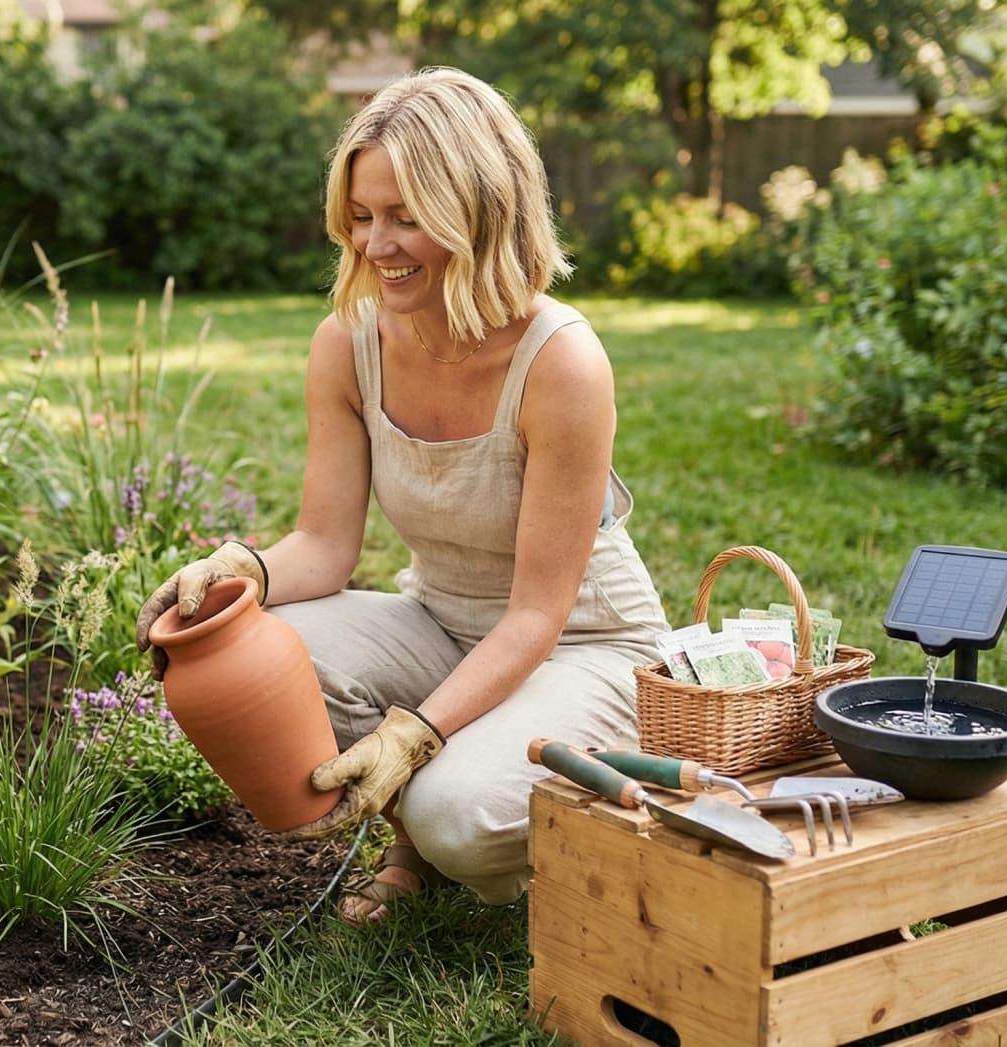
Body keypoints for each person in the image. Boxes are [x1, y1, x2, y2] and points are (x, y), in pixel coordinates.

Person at [135, 67, 669, 926]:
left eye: (406, 217)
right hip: (443, 624)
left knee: (457, 815)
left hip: (583, 646)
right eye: (361, 217)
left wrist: (416, 729)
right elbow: (324, 544)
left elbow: (536, 615)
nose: (375, 246)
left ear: (480, 210)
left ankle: (467, 829)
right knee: (261, 651)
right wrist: (239, 572)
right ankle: (426, 813)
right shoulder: (349, 343)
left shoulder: (561, 361)